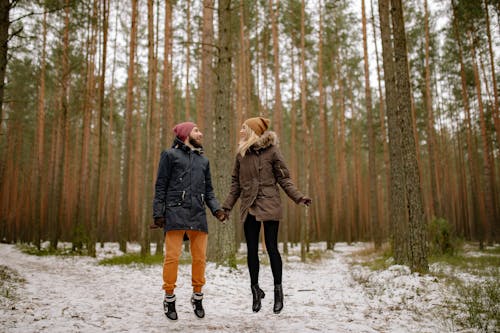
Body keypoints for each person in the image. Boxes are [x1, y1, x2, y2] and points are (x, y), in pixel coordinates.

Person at [222, 117, 311, 314]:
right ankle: (255, 290)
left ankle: (278, 292)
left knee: (272, 248)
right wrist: (226, 207)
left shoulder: (272, 151)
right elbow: (235, 184)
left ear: (253, 130)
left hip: (269, 203)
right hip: (249, 204)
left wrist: (299, 197)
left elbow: (284, 179)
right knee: (251, 250)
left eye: (244, 128)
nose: (241, 131)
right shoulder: (241, 154)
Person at [152, 121, 227, 321]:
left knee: (200, 259)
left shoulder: (204, 161)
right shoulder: (169, 155)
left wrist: (217, 210)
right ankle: (169, 298)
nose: (200, 133)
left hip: (198, 214)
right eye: (196, 130)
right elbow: (161, 186)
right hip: (175, 213)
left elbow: (209, 191)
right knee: (172, 258)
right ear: (185, 133)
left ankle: (198, 296)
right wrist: (158, 213)